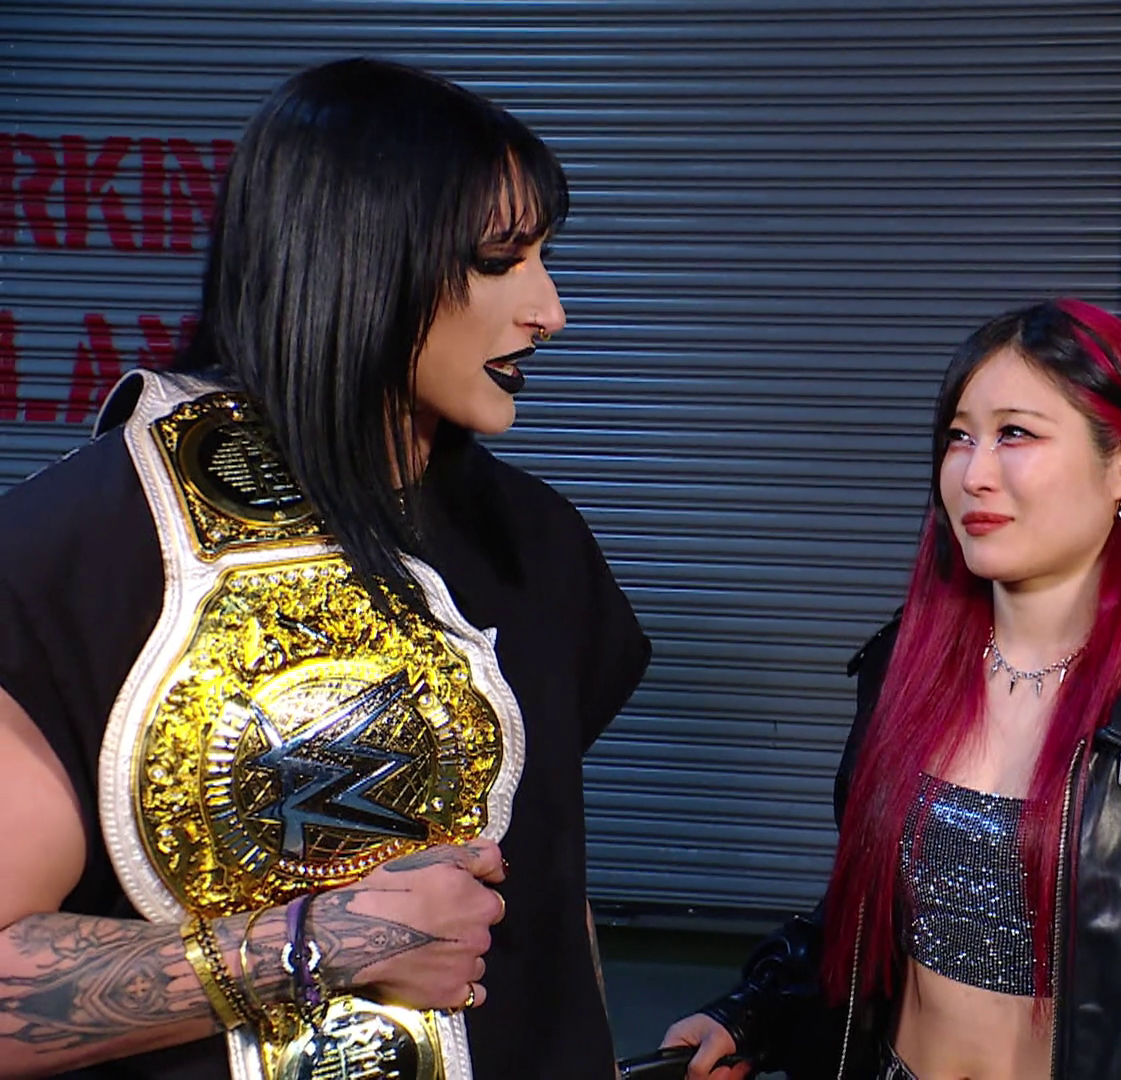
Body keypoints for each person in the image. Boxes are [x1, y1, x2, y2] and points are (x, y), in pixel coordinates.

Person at [0, 58, 650, 1079]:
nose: (549, 310)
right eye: (498, 260)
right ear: (360, 257)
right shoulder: (88, 549)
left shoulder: (539, 542)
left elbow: (554, 909)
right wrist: (315, 946)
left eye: (545, 258)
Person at [657, 298, 1121, 1080]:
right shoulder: (905, 668)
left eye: (1015, 434)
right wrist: (753, 1012)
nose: (975, 474)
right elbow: (862, 916)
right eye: (960, 437)